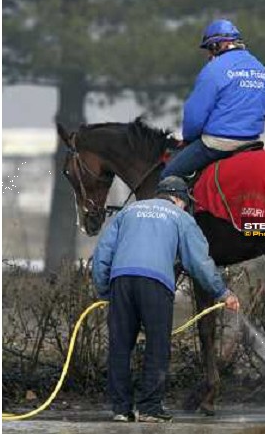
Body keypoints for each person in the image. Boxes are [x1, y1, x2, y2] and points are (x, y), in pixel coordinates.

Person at [91, 176, 240, 423]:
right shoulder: (181, 218)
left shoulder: (128, 211)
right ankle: (150, 409)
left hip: (122, 280)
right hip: (156, 282)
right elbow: (199, 262)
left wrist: (105, 290)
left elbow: (102, 254)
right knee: (157, 345)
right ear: (179, 199)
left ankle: (121, 409)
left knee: (119, 346)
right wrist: (222, 292)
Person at [160, 19, 265, 180]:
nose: (208, 55)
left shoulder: (214, 69)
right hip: (252, 142)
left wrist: (188, 139)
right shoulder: (261, 69)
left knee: (168, 176)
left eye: (209, 49)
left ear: (217, 45)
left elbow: (195, 115)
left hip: (218, 144)